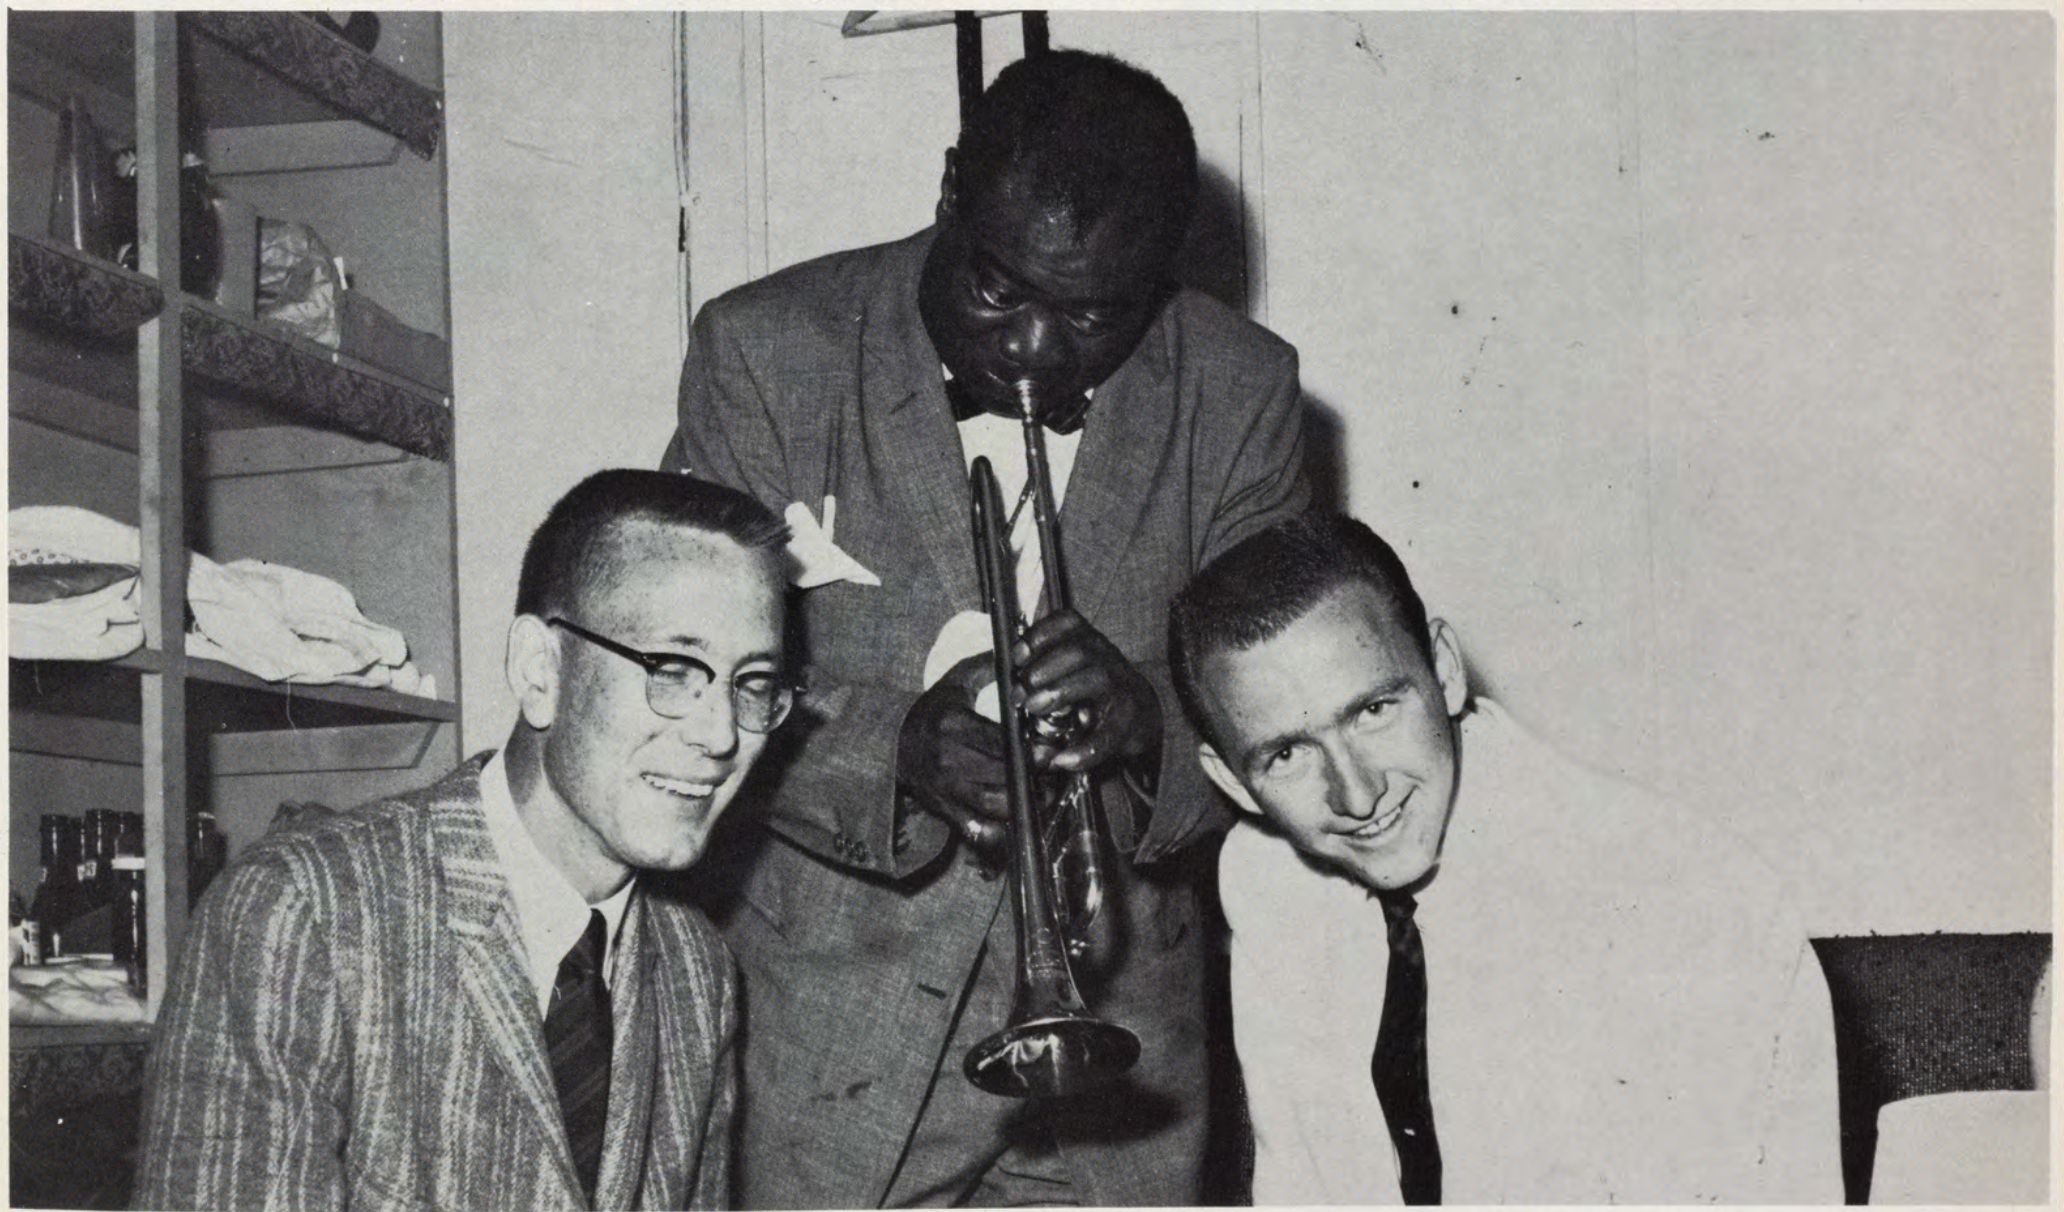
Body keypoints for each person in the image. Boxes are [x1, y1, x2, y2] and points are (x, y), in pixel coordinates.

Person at [661, 49, 1309, 1208]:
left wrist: (1152, 721)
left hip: (1127, 1069)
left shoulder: (1242, 385)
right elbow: (685, 674)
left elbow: (1288, 716)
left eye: (1093, 316)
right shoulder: (765, 353)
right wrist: (891, 751)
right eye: (997, 291)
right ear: (951, 191)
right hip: (835, 1055)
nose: (1030, 353)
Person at [135, 470, 793, 1211]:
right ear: (539, 669)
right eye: (673, 671)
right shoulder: (304, 914)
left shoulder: (696, 971)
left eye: (753, 684)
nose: (721, 734)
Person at [1167, 513, 1843, 1204]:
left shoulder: (1679, 897)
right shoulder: (1267, 881)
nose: (1359, 794)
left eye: (1374, 710)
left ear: (1447, 671)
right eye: (1286, 755)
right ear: (1231, 782)